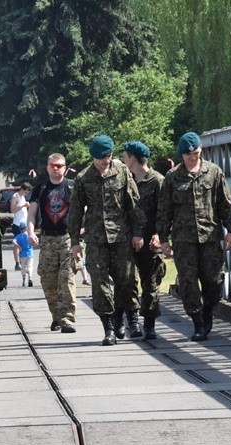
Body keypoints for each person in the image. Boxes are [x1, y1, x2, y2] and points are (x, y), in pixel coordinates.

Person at [157, 132, 231, 341]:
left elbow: (224, 203)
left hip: (210, 236)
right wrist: (163, 239)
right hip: (184, 240)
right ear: (182, 154)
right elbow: (164, 210)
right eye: (189, 154)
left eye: (197, 153)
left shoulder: (213, 172)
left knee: (214, 279)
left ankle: (208, 309)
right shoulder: (173, 177)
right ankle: (197, 321)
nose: (194, 157)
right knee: (188, 282)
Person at [68, 135, 146, 346]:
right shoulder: (83, 178)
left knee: (127, 280)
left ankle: (130, 319)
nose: (106, 160)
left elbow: (134, 204)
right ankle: (109, 327)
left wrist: (138, 232)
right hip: (96, 239)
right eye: (102, 157)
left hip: (121, 237)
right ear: (93, 156)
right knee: (100, 285)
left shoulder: (121, 172)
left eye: (109, 156)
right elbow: (75, 211)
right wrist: (75, 241)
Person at [27, 153, 77, 333]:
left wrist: (82, 228)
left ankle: (67, 319)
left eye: (59, 165)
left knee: (67, 279)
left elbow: (84, 209)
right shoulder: (40, 188)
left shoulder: (72, 186)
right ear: (47, 167)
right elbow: (32, 213)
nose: (56, 168)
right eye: (52, 165)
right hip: (47, 239)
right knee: (48, 280)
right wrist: (31, 232)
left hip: (67, 239)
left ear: (65, 167)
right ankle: (56, 316)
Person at [122, 141, 166, 340]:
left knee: (151, 283)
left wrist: (160, 234)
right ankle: (132, 322)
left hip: (150, 241)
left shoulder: (157, 181)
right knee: (127, 280)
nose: (123, 159)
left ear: (132, 158)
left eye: (125, 156)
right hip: (128, 240)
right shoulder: (124, 180)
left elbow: (165, 212)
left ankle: (149, 324)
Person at [10, 182, 32, 270]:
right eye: (26, 192)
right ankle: (17, 263)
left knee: (25, 242)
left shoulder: (23, 197)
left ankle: (25, 261)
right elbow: (12, 210)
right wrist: (23, 205)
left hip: (24, 223)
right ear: (22, 189)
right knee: (17, 243)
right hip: (17, 224)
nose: (26, 194)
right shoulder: (15, 196)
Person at [13, 221, 34, 286]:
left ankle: (24, 280)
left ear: (20, 228)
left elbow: (13, 241)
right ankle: (30, 278)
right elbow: (35, 241)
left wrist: (19, 246)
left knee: (23, 268)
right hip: (30, 253)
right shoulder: (29, 235)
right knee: (30, 266)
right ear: (26, 228)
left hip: (22, 254)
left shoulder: (18, 236)